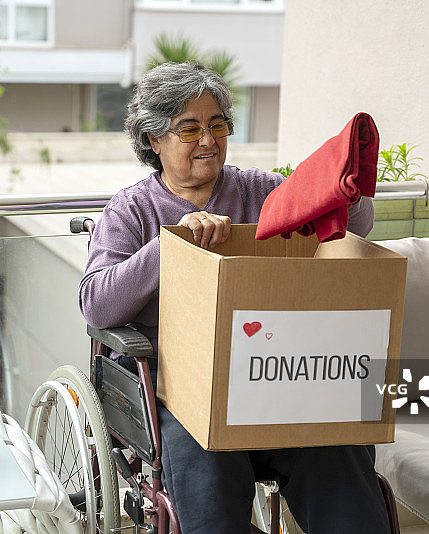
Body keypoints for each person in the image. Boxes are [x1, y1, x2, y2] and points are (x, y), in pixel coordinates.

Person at [79, 62, 389, 533]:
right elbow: (97, 305)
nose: (208, 139)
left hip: (273, 375)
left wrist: (345, 185)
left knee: (337, 455)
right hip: (179, 390)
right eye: (189, 128)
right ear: (153, 140)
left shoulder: (258, 190)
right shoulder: (131, 209)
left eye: (217, 125)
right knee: (209, 479)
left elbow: (354, 227)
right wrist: (169, 246)